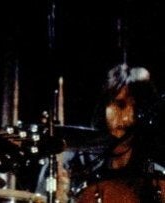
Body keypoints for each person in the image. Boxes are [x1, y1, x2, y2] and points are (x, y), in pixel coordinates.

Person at [36, 63, 164, 202]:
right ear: (105, 105)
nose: (128, 116)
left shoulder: (152, 173)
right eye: (120, 104)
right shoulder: (70, 163)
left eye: (136, 108)